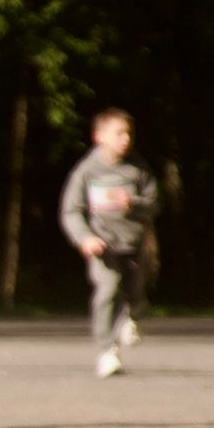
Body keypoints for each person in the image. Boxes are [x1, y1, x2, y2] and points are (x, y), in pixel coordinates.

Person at [59, 107, 160, 379]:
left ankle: (131, 316)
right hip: (103, 245)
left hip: (135, 244)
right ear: (99, 136)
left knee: (135, 293)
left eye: (129, 133)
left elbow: (154, 203)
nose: (125, 139)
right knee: (107, 289)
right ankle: (107, 351)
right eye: (119, 133)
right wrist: (84, 237)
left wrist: (134, 203)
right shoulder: (87, 171)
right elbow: (71, 210)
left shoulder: (137, 169)